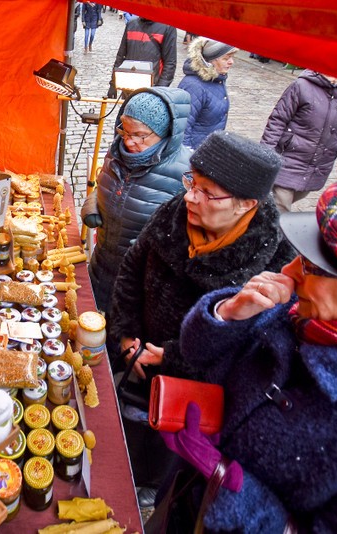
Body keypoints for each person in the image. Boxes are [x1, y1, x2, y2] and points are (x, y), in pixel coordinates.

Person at [148, 178, 337, 532]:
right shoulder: (309, 310)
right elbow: (196, 352)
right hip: (184, 504)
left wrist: (229, 486)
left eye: (311, 268)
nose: (289, 272)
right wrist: (228, 314)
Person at [110, 130, 296, 506]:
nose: (191, 196)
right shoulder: (177, 211)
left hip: (195, 390)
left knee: (167, 453)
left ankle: (148, 488)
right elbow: (132, 266)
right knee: (125, 429)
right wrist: (126, 333)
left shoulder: (272, 263)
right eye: (191, 181)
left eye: (208, 192)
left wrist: (171, 358)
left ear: (246, 204)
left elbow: (245, 349)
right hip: (138, 357)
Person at [81, 88, 191, 317]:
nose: (129, 142)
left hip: (138, 285)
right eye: (125, 132)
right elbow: (104, 185)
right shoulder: (115, 153)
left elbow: (187, 239)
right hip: (101, 264)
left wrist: (153, 246)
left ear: (164, 132)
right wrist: (92, 206)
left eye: (140, 135)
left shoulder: (185, 174)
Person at [261, 70, 337, 213]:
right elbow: (278, 120)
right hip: (289, 157)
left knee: (297, 194)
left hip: (319, 163)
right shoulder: (302, 86)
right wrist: (266, 152)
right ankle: (271, 231)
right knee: (281, 208)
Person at [177, 37, 238, 150]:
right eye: (226, 58)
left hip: (208, 151)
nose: (231, 62)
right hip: (194, 153)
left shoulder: (217, 79)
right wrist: (186, 159)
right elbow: (182, 129)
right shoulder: (194, 86)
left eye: (231, 57)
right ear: (211, 61)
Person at [107, 16, 178, 98]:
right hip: (129, 86)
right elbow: (121, 56)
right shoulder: (131, 24)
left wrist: (160, 90)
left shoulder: (167, 27)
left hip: (151, 89)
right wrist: (113, 84)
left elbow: (170, 63)